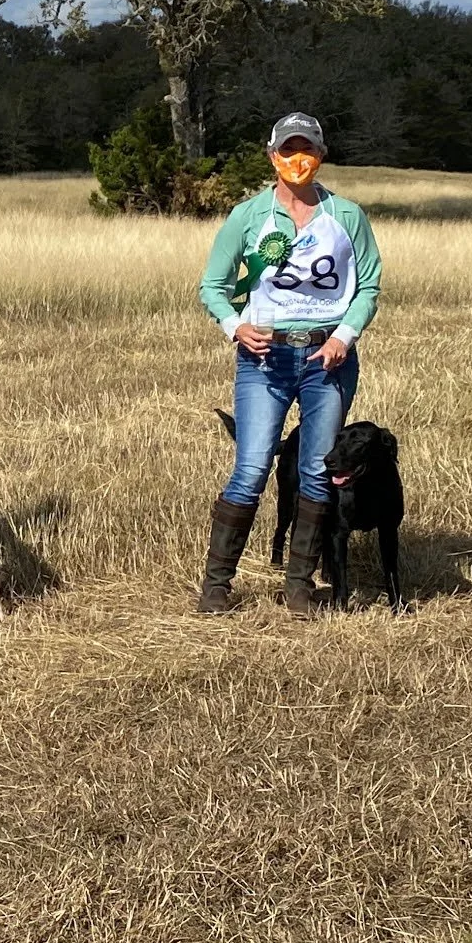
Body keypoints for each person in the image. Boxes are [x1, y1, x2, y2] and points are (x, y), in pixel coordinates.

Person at [197, 112, 382, 618]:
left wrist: (344, 335)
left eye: (307, 148)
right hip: (265, 359)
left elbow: (368, 286)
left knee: (319, 471)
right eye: (287, 149)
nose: (297, 158)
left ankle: (299, 586)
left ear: (321, 154)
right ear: (271, 155)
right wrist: (235, 326)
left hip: (328, 360)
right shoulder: (247, 216)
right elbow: (212, 286)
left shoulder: (347, 216)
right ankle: (216, 586)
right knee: (252, 467)